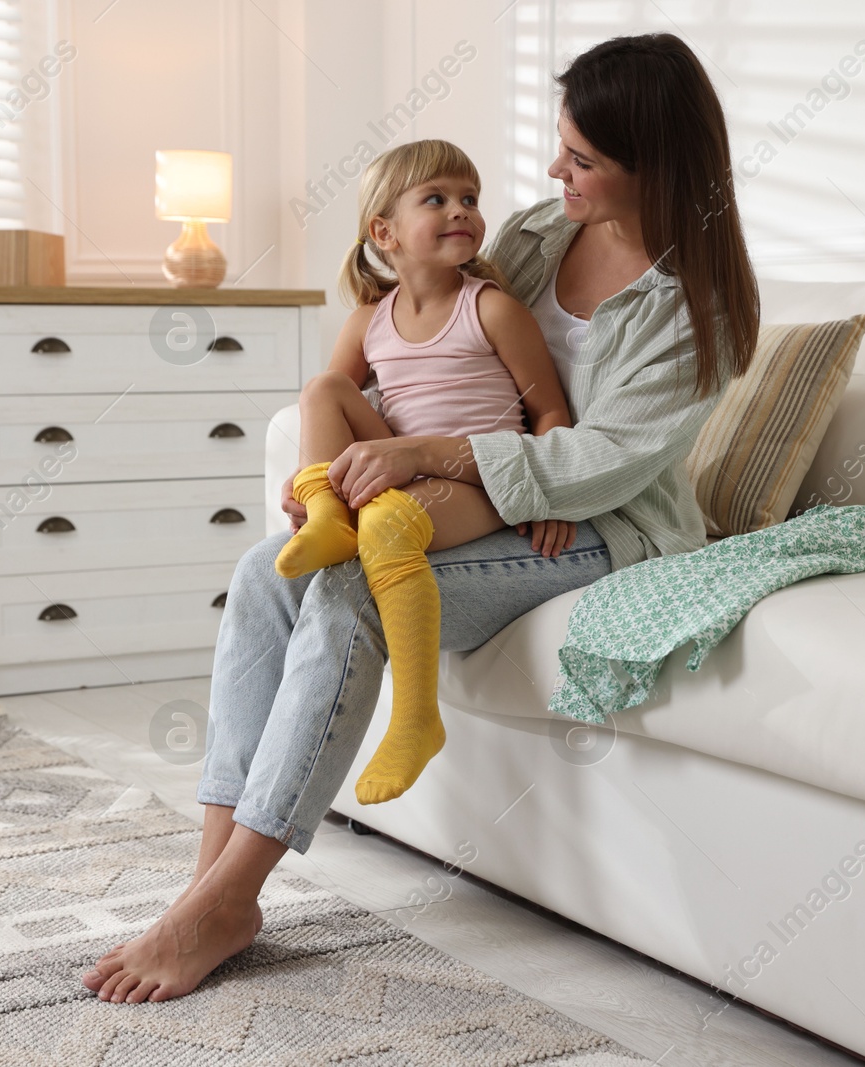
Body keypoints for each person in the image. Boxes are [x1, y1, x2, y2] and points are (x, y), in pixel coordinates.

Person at [82, 32, 761, 1006]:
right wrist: (366, 437)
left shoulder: (699, 310)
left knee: (351, 590)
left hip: (603, 528)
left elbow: (597, 461)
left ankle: (232, 896)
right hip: (482, 498)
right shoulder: (534, 235)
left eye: (580, 160)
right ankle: (209, 880)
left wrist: (421, 455)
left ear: (650, 167)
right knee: (265, 573)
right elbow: (432, 326)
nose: (549, 172)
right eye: (559, 147)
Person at [277, 137, 575, 807]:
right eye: (436, 199)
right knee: (322, 389)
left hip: (481, 480)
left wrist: (554, 488)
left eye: (469, 198)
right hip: (405, 467)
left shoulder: (491, 306)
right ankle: (326, 519)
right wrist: (309, 482)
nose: (461, 210)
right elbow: (339, 413)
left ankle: (416, 718)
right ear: (384, 232)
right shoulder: (367, 322)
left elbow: (551, 409)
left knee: (385, 523)